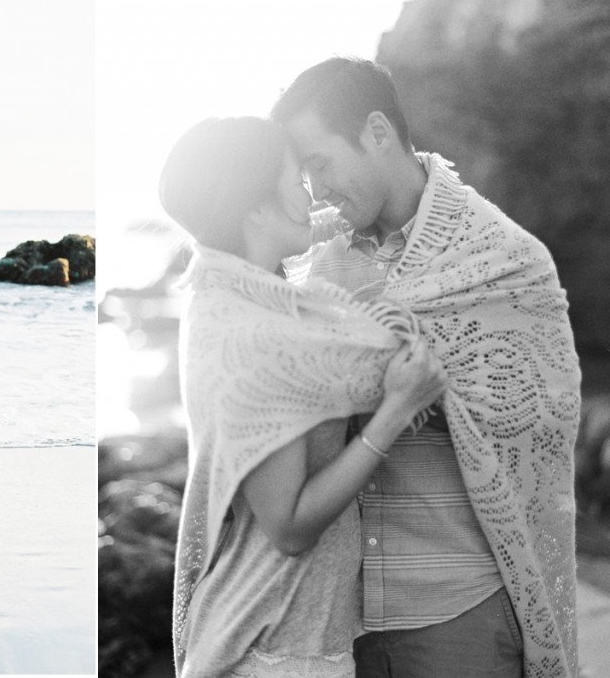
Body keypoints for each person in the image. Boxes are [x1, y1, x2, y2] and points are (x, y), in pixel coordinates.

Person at [270, 56, 582, 678]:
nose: (317, 189)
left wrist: (422, 379)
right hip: (334, 621)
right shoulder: (306, 260)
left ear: (377, 132)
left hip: (459, 616)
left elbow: (545, 418)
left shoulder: (505, 259)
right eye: (302, 172)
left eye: (320, 162)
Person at [161, 116, 447, 677]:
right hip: (275, 651)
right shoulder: (257, 336)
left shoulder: (227, 291)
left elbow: (297, 236)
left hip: (285, 634)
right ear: (258, 209)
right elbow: (289, 527)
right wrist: (394, 410)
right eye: (297, 180)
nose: (310, 193)